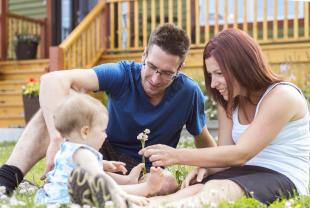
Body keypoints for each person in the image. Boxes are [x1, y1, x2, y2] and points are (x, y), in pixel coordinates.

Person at [0, 23, 215, 196]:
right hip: (100, 151)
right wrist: (57, 140)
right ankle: (6, 179)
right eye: (151, 66)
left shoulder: (189, 92)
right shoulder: (122, 73)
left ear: (180, 69)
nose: (155, 78)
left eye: (167, 73)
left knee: (166, 183)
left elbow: (203, 139)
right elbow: (51, 80)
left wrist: (209, 166)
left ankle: (80, 183)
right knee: (67, 107)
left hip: (145, 167)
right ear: (143, 55)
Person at [140, 28, 310, 206]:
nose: (213, 83)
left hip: (282, 176)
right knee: (194, 189)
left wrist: (176, 155)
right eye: (211, 74)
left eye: (219, 74)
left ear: (243, 66)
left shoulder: (282, 96)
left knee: (218, 189)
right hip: (243, 173)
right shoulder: (228, 100)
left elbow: (240, 154)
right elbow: (225, 155)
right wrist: (207, 168)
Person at [35, 93, 162, 206]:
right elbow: (100, 179)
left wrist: (104, 164)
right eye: (102, 131)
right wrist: (125, 196)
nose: (105, 135)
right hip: (68, 199)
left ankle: (133, 183)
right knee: (103, 185)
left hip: (53, 196)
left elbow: (78, 167)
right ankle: (145, 188)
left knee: (97, 180)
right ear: (85, 132)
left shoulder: (66, 147)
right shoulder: (83, 152)